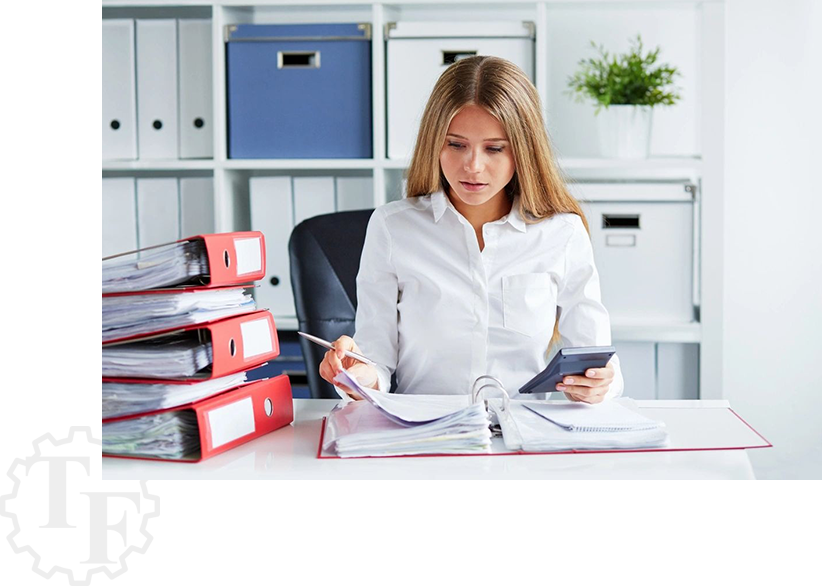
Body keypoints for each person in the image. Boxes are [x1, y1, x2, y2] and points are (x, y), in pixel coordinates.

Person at [319, 55, 624, 405]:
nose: (473, 166)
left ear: (524, 151)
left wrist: (600, 385)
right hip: (424, 435)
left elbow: (596, 358)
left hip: (523, 436)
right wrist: (356, 375)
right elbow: (376, 363)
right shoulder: (392, 228)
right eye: (456, 144)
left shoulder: (562, 233)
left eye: (494, 148)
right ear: (435, 142)